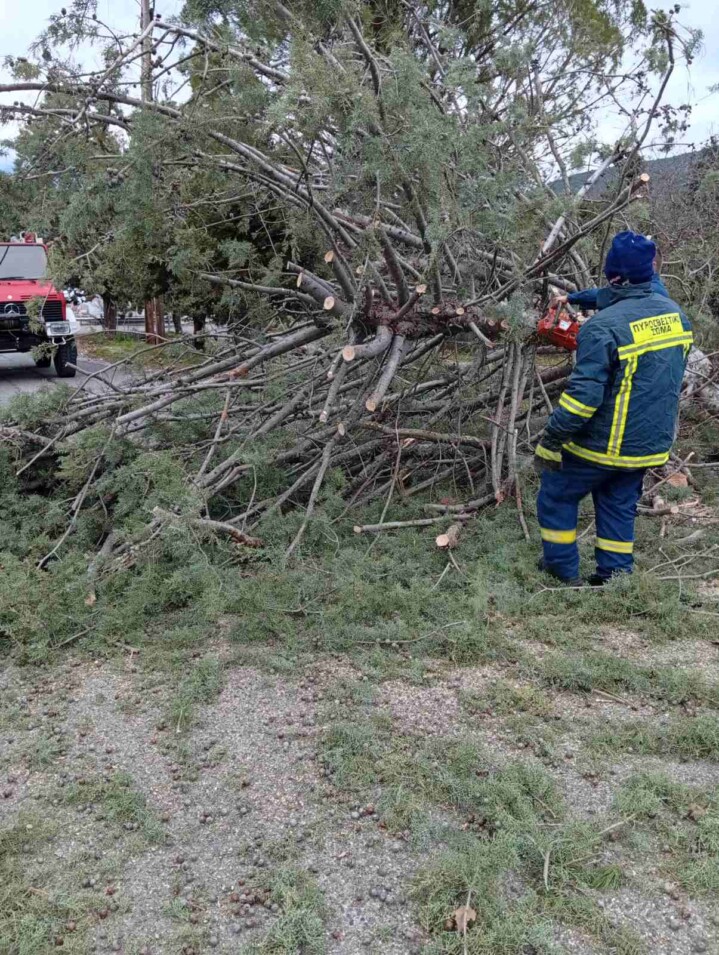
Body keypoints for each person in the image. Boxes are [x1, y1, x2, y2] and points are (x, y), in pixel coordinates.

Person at [534, 231, 692, 585]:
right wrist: (573, 297)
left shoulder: (602, 328)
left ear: (614, 276)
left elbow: (581, 401)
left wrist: (551, 441)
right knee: (618, 503)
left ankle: (561, 571)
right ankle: (614, 577)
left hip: (603, 444)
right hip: (649, 445)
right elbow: (622, 292)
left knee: (557, 495)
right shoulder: (673, 313)